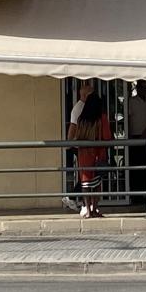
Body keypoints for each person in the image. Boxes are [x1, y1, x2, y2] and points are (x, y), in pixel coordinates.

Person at [69, 94, 112, 218]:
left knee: (86, 183)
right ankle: (95, 209)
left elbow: (78, 137)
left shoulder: (81, 120)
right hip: (98, 153)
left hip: (83, 154)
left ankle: (87, 209)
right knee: (97, 183)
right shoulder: (102, 118)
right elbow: (107, 137)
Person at [63, 82, 93, 211]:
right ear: (85, 95)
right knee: (87, 173)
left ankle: (76, 197)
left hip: (82, 144)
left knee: (87, 173)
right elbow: (73, 126)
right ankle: (74, 197)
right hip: (80, 145)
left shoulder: (83, 106)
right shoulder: (79, 108)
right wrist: (69, 143)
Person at [127, 80, 146, 204]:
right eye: (142, 87)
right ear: (137, 88)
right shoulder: (131, 101)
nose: (144, 89)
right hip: (135, 136)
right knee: (136, 166)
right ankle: (136, 194)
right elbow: (128, 118)